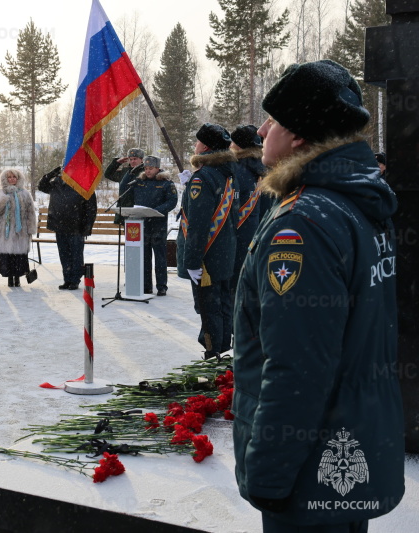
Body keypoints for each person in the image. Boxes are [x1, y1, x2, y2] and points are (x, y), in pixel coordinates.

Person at [232, 59, 404, 533]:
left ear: (301, 136)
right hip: (350, 447)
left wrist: (268, 474)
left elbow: (297, 367)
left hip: (309, 468)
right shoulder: (355, 203)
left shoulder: (303, 222)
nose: (263, 128)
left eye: (276, 120)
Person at [176, 123, 238, 358]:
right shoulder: (227, 173)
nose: (195, 145)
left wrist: (191, 260)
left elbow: (198, 225)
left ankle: (213, 355)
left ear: (205, 146)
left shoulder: (202, 178)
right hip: (225, 252)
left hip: (207, 257)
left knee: (208, 308)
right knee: (222, 305)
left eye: (197, 141)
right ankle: (222, 348)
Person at [119, 156, 178, 295]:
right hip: (142, 225)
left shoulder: (166, 183)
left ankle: (162, 286)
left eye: (151, 168)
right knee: (144, 257)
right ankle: (146, 286)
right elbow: (124, 189)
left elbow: (172, 201)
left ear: (157, 168)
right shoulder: (140, 181)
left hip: (158, 225)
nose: (148, 171)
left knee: (160, 258)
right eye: (145, 168)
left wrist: (158, 210)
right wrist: (130, 171)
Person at [37, 165, 97, 290]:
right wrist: (51, 174)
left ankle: (75, 280)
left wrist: (87, 226)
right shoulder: (56, 183)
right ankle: (67, 279)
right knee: (64, 254)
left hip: (76, 226)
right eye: (64, 169)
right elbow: (41, 186)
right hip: (60, 225)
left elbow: (91, 208)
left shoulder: (83, 184)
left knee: (76, 255)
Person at [229, 125, 267, 294]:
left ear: (238, 145)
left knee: (235, 288)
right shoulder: (268, 168)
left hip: (240, 236)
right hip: (262, 234)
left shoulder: (237, 169)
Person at [0, 168, 37, 287]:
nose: (12, 179)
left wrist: (31, 228)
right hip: (5, 230)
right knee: (7, 256)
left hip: (21, 231)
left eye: (14, 177)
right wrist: (3, 199)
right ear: (5, 179)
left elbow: (30, 212)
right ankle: (10, 278)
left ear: (18, 178)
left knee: (20, 256)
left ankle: (18, 278)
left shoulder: (25, 193)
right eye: (9, 177)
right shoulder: (0, 193)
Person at [103, 147, 145, 223]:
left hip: (138, 208)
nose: (132, 161)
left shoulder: (145, 172)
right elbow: (108, 174)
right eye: (130, 159)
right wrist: (116, 163)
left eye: (135, 159)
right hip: (124, 208)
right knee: (127, 233)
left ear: (141, 159)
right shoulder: (125, 171)